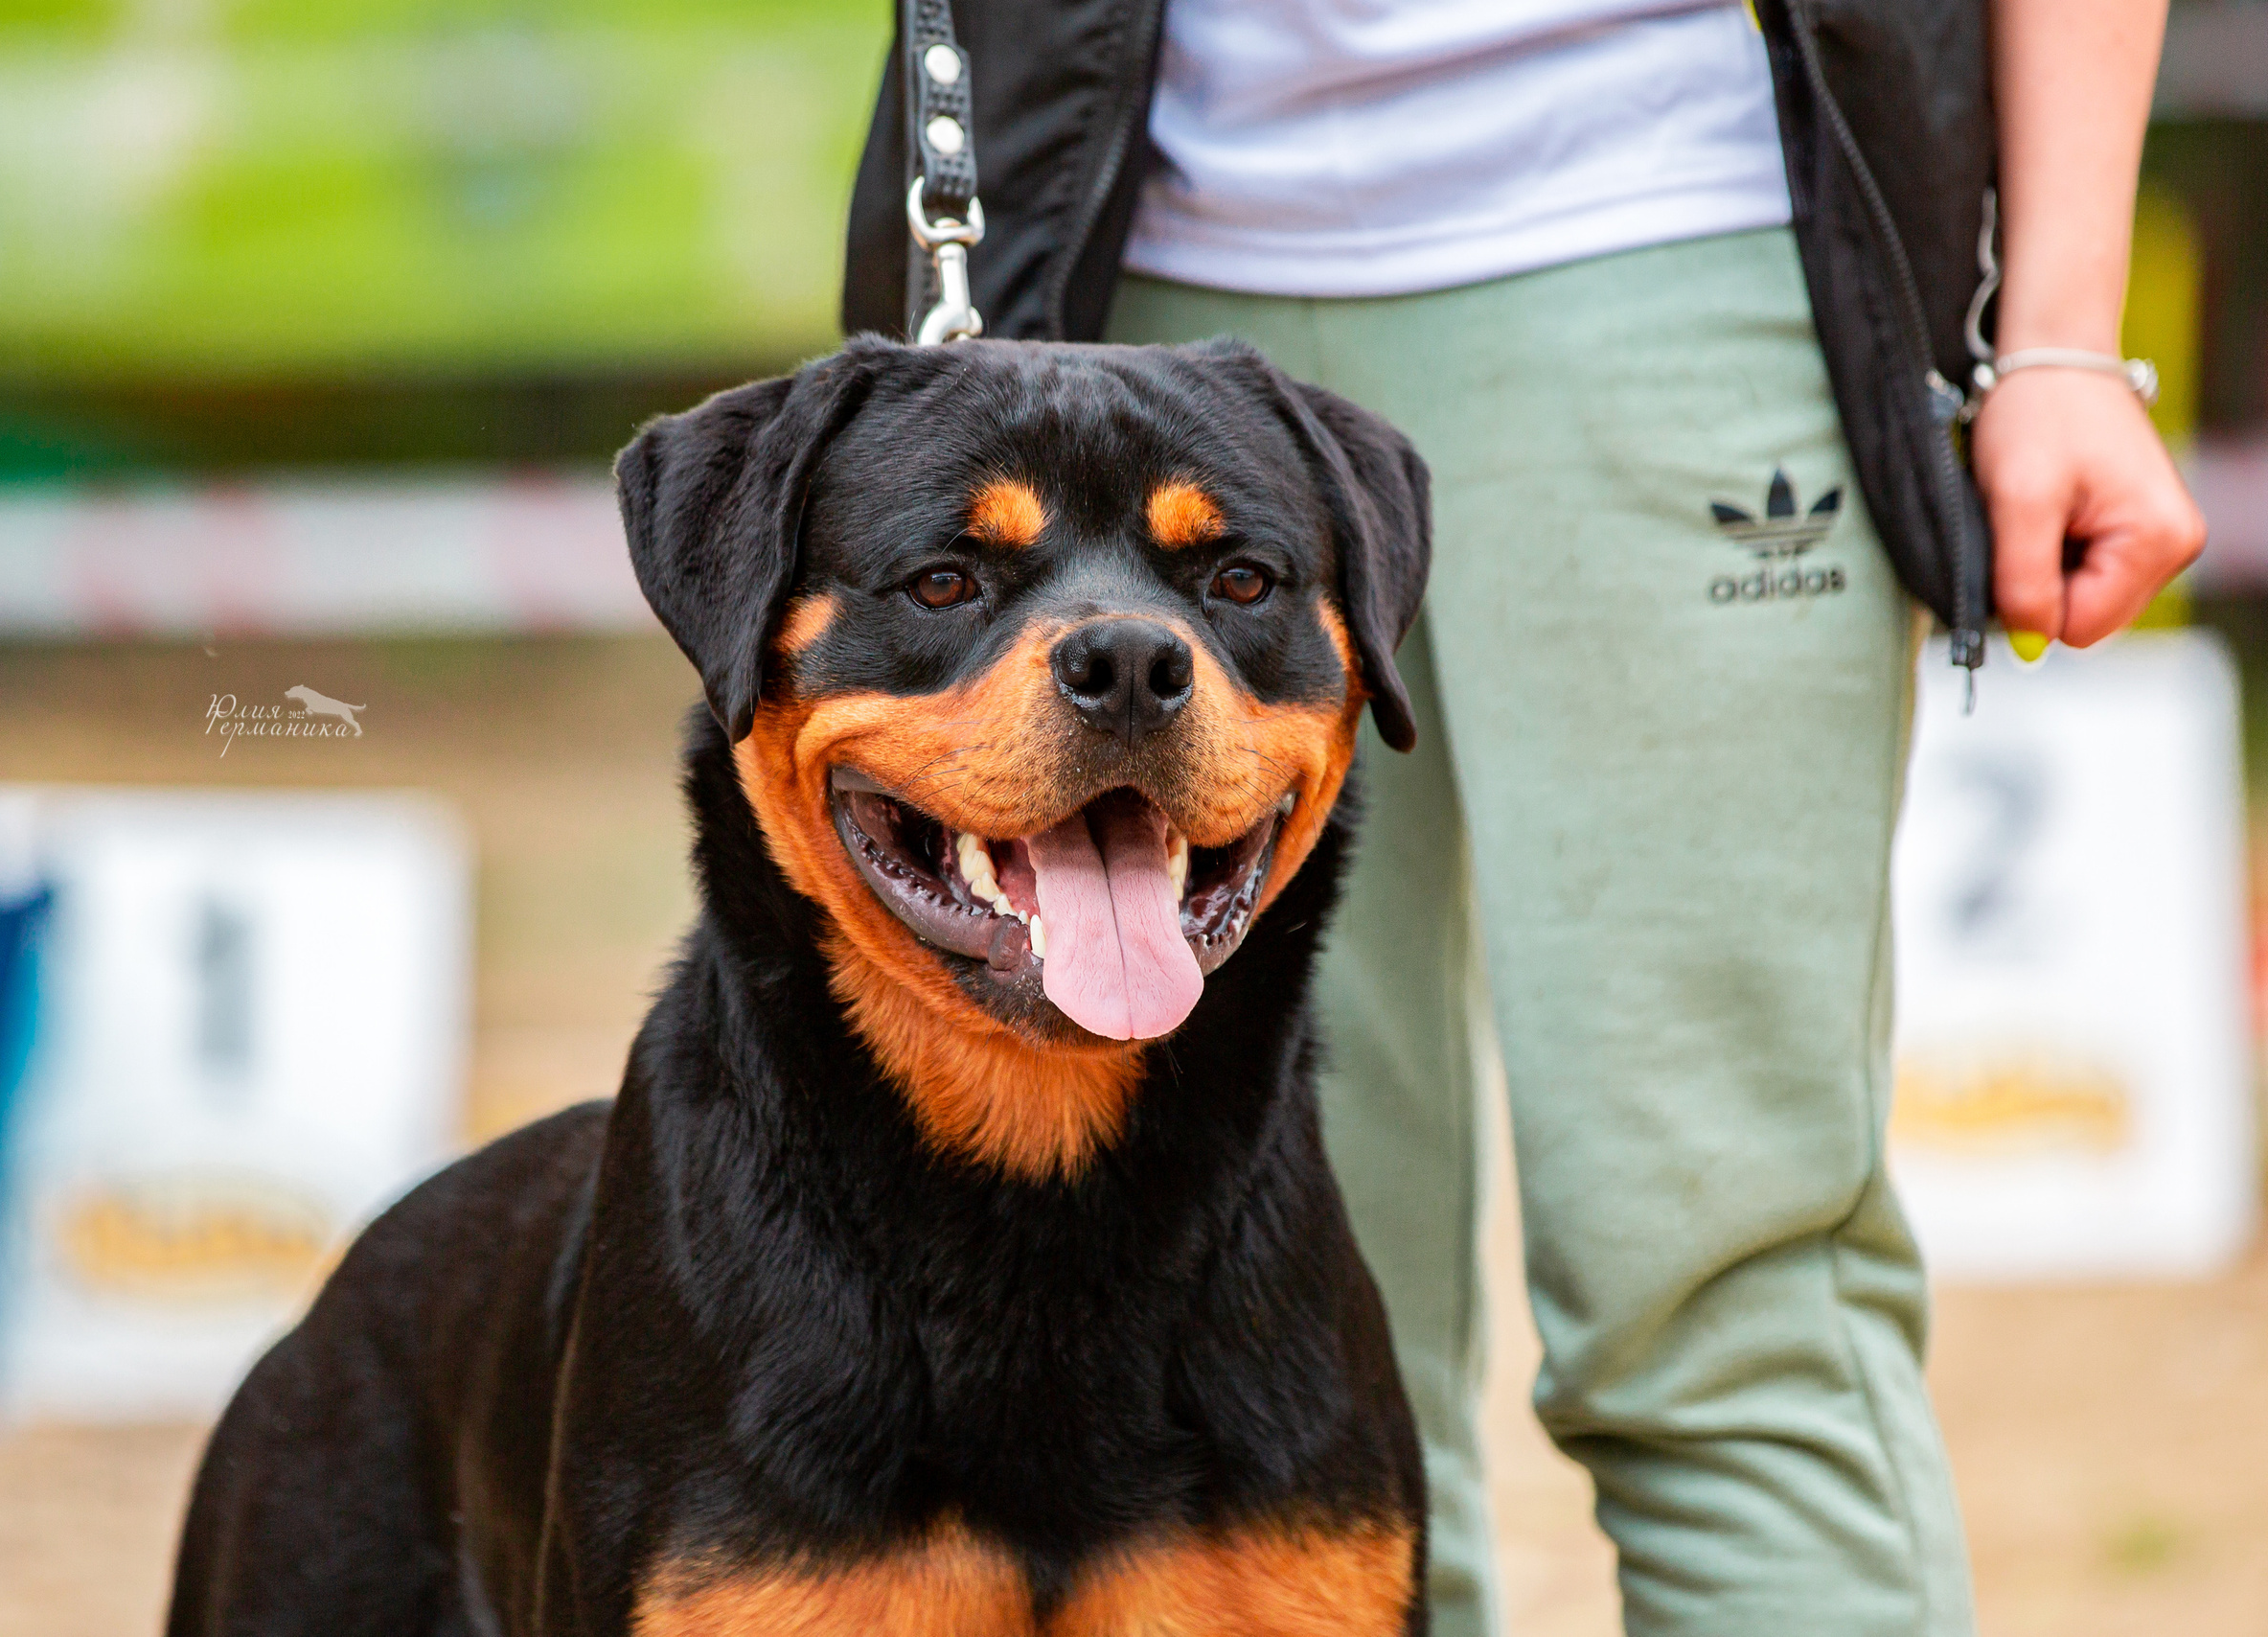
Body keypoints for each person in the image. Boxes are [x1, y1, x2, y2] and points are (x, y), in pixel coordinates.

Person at [841, 2, 2205, 1632]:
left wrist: (2059, 332)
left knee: (1727, 1313)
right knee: (1243, 1371)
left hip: (1666, 225)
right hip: (1115, 239)